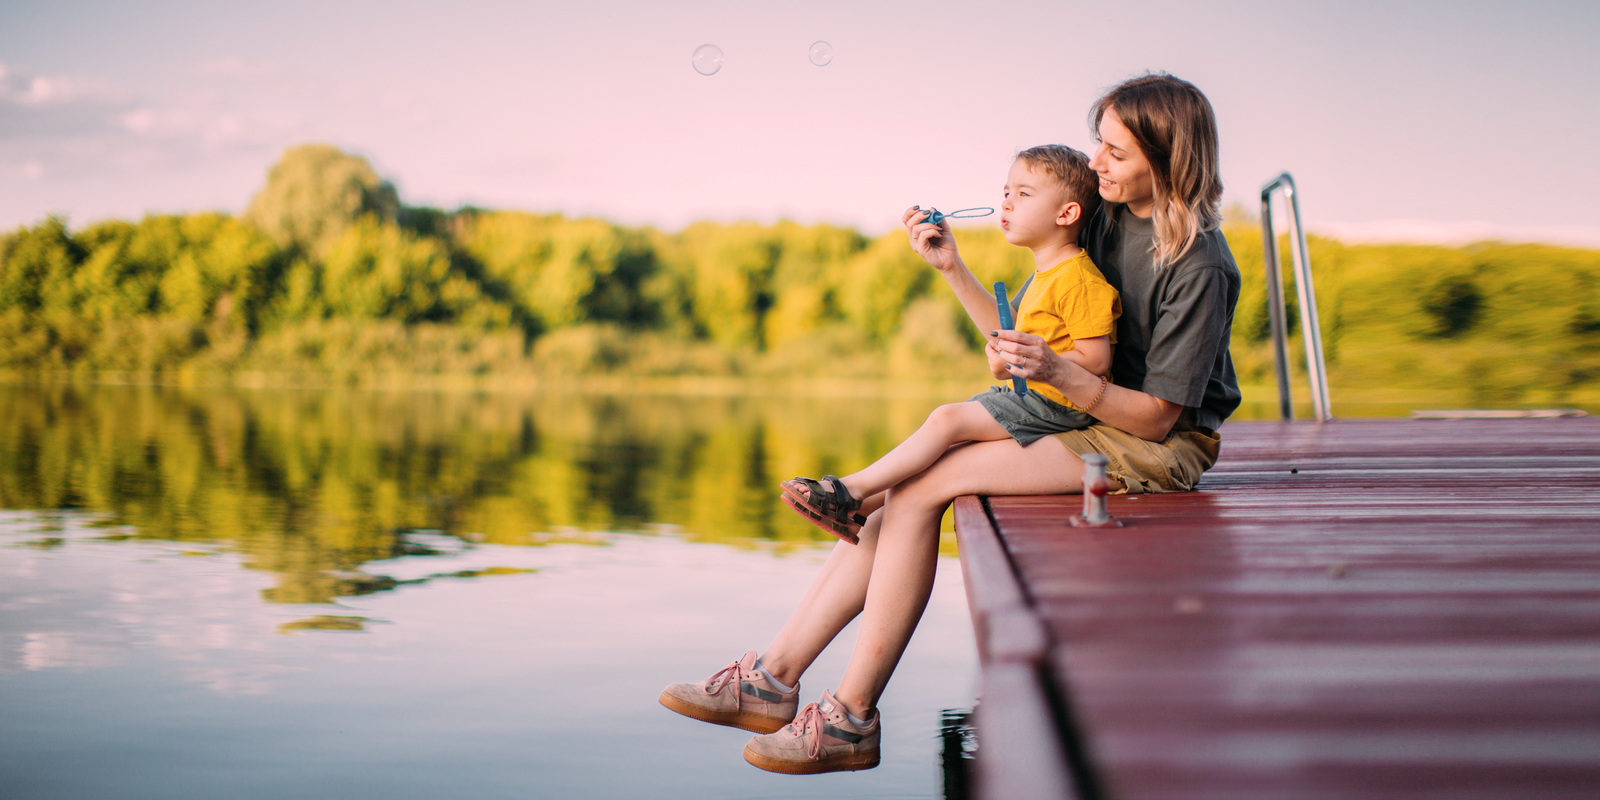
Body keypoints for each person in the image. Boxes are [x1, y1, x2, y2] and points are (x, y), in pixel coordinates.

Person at [659, 72, 1241, 775]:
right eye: (1098, 145)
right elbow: (1016, 347)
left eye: (1116, 152)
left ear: (1170, 155)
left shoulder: (1198, 262)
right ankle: (772, 680)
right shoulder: (1106, 219)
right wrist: (952, 269)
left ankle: (848, 717)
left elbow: (1154, 420)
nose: (1095, 165)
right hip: (1078, 409)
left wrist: (1058, 373)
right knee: (893, 495)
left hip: (1154, 444)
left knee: (920, 489)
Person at [779, 144, 1121, 545]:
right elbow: (1027, 348)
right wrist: (1009, 358)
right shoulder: (1047, 275)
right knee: (950, 437)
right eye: (1006, 192)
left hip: (1060, 408)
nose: (1007, 202)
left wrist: (1027, 361)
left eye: (1023, 194)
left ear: (1067, 214)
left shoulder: (1078, 279)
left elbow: (1096, 361)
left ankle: (847, 491)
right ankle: (859, 509)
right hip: (1041, 401)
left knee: (947, 421)